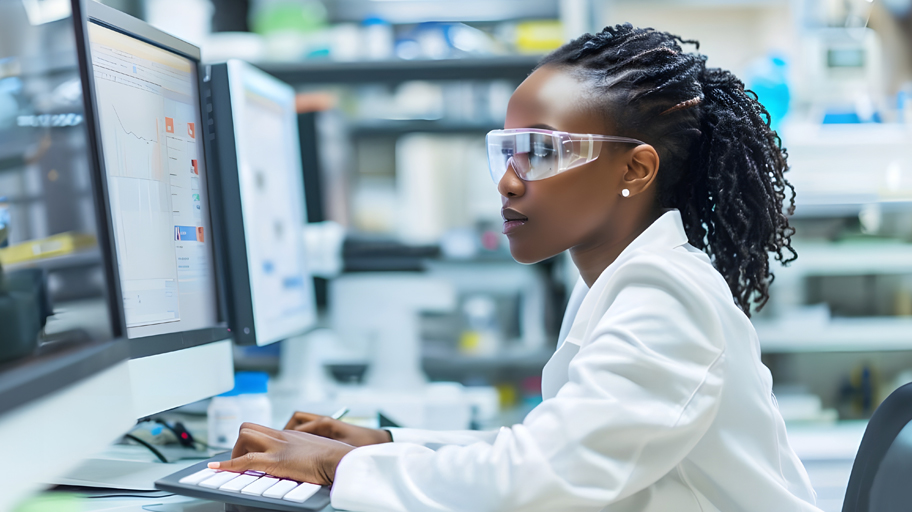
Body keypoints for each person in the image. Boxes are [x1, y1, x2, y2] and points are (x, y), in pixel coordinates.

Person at [209, 24, 821, 511]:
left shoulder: (665, 296)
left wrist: (332, 464)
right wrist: (386, 444)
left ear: (635, 170)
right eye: (506, 150)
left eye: (540, 152)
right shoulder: (616, 281)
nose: (507, 180)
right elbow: (549, 450)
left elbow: (533, 483)